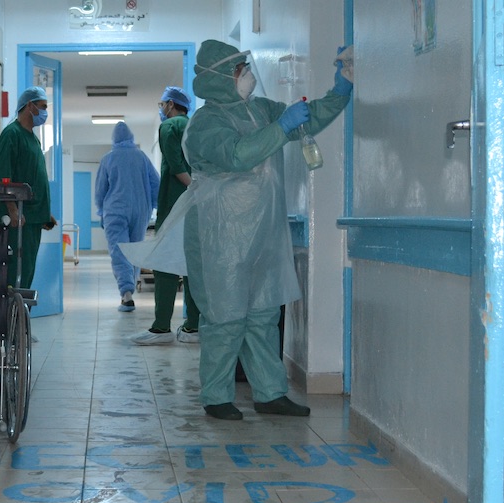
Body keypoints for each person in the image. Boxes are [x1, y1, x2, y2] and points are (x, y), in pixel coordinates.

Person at [182, 40, 353, 420]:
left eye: (245, 66)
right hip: (220, 235)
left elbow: (306, 119)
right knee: (225, 317)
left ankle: (270, 393)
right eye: (238, 69)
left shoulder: (260, 110)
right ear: (218, 77)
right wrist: (282, 127)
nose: (246, 74)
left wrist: (340, 90)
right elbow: (238, 154)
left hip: (263, 231)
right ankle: (216, 396)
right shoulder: (204, 124)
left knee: (263, 314)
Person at [129, 86, 201, 344]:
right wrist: (199, 192)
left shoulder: (169, 126)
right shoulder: (194, 125)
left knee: (164, 265)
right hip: (196, 207)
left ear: (171, 104)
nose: (162, 109)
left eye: (163, 104)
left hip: (175, 205)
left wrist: (191, 188)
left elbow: (175, 164)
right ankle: (194, 327)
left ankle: (161, 327)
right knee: (193, 266)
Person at [0, 86, 57, 289]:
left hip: (33, 217)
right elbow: (3, 175)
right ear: (30, 106)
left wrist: (45, 213)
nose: (45, 112)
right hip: (19, 217)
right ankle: (12, 309)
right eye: (43, 107)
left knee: (27, 270)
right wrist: (12, 209)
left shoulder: (33, 138)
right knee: (16, 271)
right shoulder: (12, 134)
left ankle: (21, 308)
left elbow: (35, 176)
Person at [95, 122, 160, 312]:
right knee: (134, 250)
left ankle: (126, 293)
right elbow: (155, 183)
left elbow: (100, 191)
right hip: (141, 211)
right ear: (131, 137)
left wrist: (101, 211)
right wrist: (156, 206)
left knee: (120, 251)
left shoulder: (108, 159)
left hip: (115, 211)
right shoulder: (142, 157)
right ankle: (130, 288)